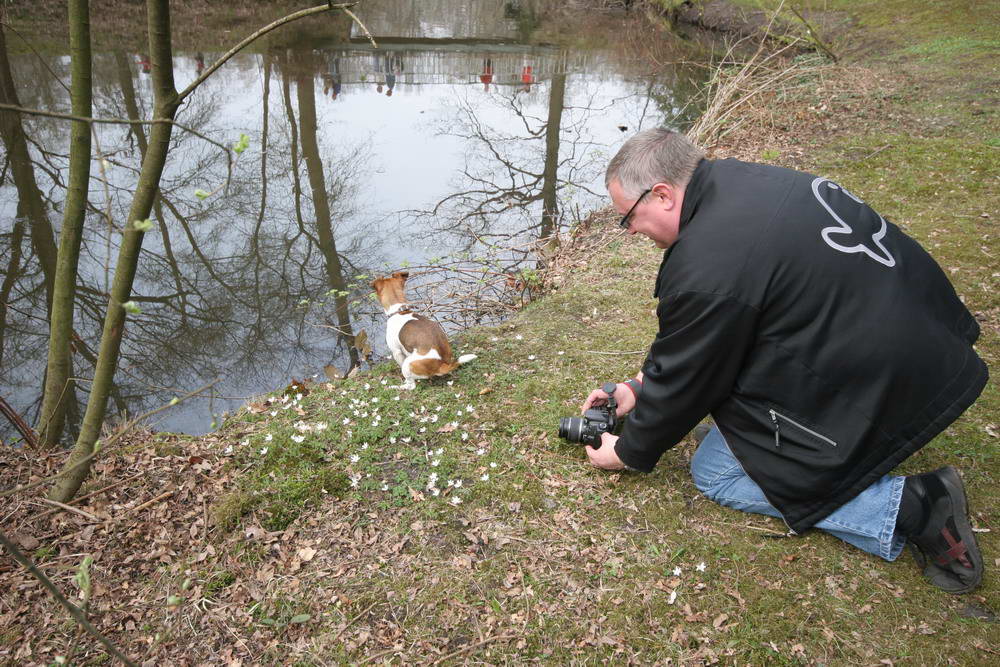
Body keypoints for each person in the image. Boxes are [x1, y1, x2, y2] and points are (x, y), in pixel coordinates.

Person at [582, 128, 988, 594]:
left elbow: (692, 369)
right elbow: (702, 334)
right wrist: (637, 389)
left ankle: (916, 507)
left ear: (663, 194)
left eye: (627, 218)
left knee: (715, 472)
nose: (629, 230)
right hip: (930, 332)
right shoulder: (743, 180)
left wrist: (629, 452)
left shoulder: (709, 259)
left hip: (889, 371)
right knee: (733, 404)